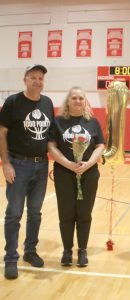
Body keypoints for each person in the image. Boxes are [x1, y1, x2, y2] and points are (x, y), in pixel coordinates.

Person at [0, 64, 54, 279]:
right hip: (18, 164)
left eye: (40, 78)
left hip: (41, 166)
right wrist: (5, 163)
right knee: (14, 213)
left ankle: (30, 252)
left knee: (35, 213)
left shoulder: (48, 103)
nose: (37, 81)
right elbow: (2, 133)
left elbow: (50, 136)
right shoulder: (13, 102)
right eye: (33, 77)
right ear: (25, 80)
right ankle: (10, 258)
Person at [48, 87, 105, 268]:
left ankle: (82, 250)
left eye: (81, 98)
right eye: (74, 98)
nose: (78, 101)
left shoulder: (93, 123)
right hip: (64, 173)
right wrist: (68, 164)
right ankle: (66, 250)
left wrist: (87, 164)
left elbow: (100, 146)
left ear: (85, 101)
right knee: (66, 214)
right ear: (68, 101)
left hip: (88, 174)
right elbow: (51, 146)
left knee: (84, 213)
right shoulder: (58, 122)